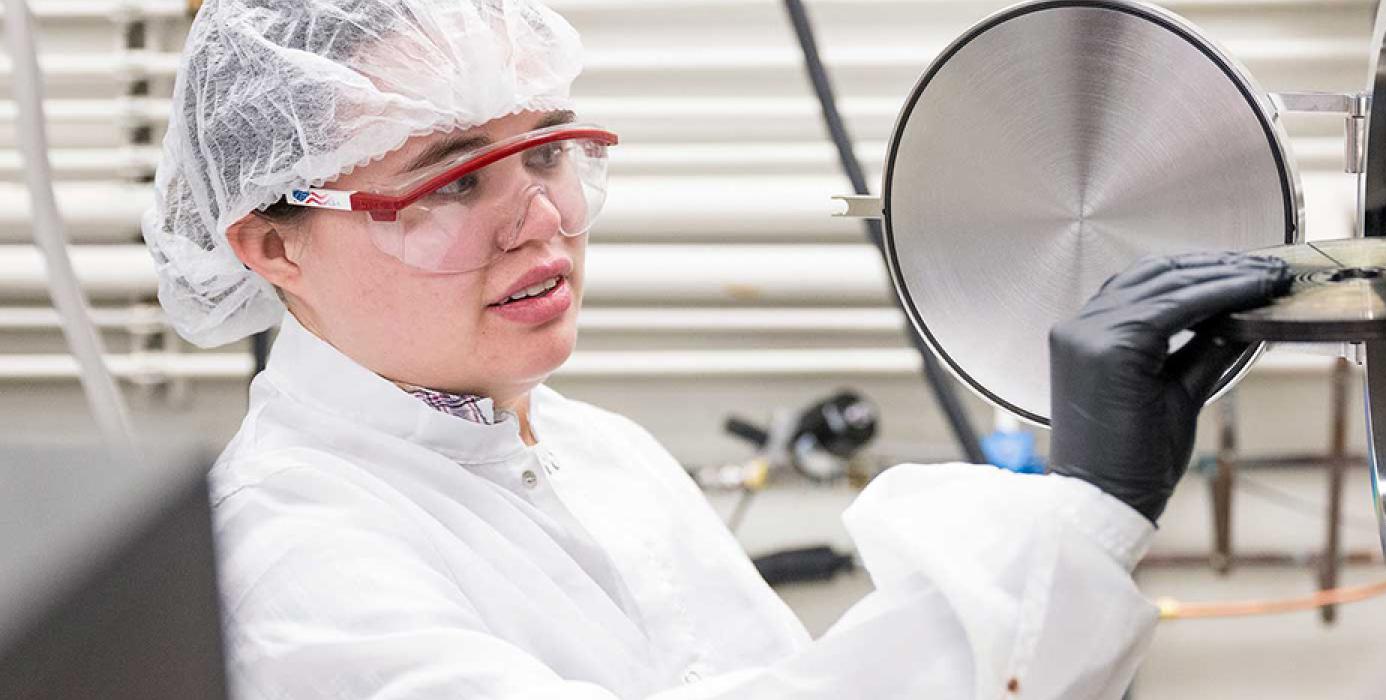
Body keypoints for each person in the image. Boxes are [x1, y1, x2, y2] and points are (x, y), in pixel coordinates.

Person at [143, 1, 1288, 697]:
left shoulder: (599, 453)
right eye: (451, 179)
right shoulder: (289, 566)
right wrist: (1082, 511)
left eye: (548, 151)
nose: (537, 215)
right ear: (271, 245)